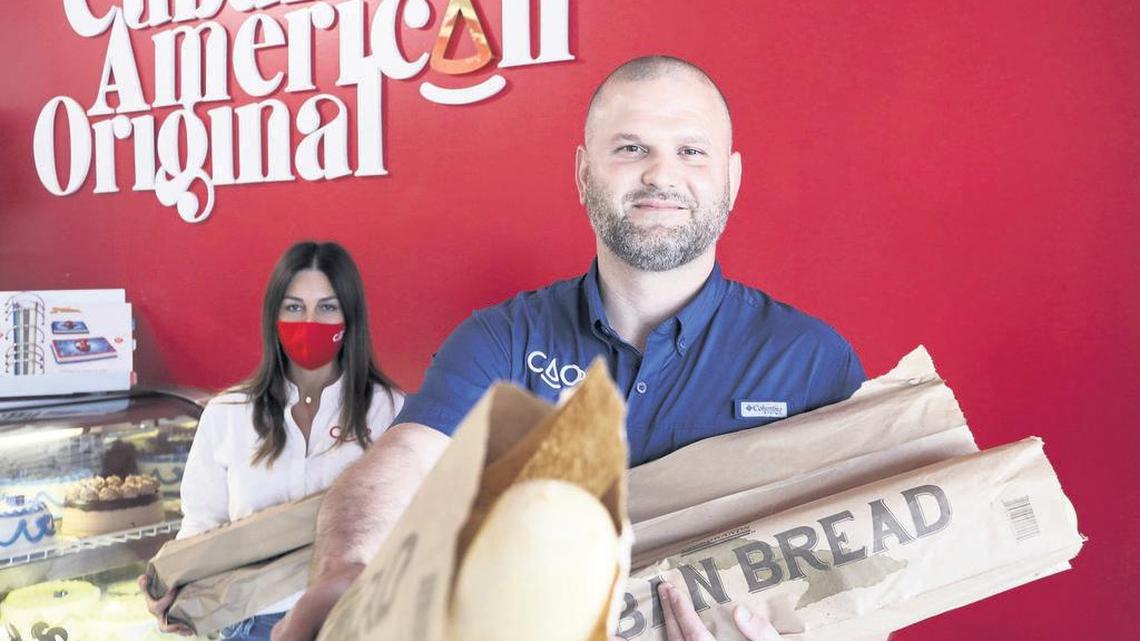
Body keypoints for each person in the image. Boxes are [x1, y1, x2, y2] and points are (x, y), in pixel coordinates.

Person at [271, 56, 865, 641]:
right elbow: (411, 457)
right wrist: (351, 566)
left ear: (731, 179)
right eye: (631, 148)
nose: (661, 174)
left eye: (691, 151)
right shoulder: (502, 340)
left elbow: (874, 570)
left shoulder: (813, 363)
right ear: (584, 174)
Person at [141, 241, 404, 641]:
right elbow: (202, 524)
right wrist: (173, 586)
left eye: (327, 307)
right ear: (273, 316)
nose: (310, 321)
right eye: (294, 307)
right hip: (247, 625)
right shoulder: (228, 413)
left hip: (358, 621)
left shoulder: (390, 411)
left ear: (350, 317)